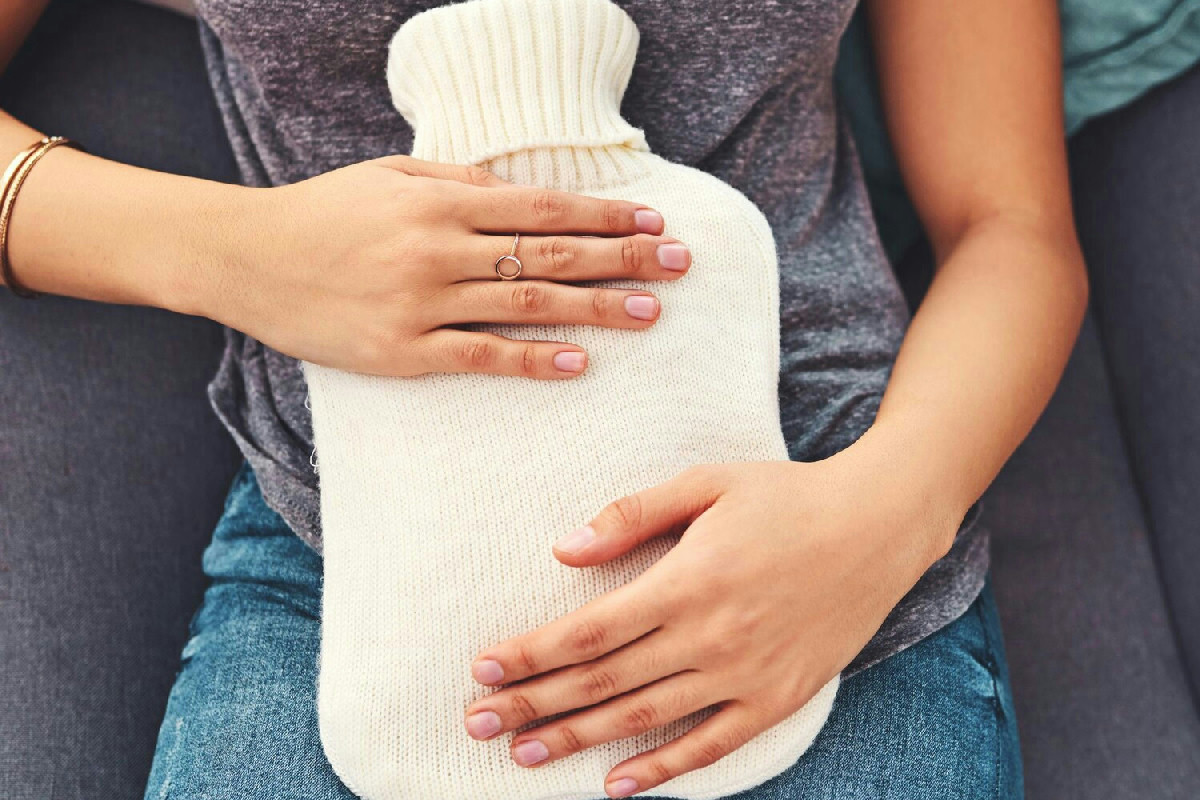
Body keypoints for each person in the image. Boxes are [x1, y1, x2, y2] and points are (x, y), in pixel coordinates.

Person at [0, 0, 1086, 798]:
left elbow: (1012, 225)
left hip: (821, 534)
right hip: (355, 539)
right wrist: (239, 254)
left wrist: (887, 512)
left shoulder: (854, 525)